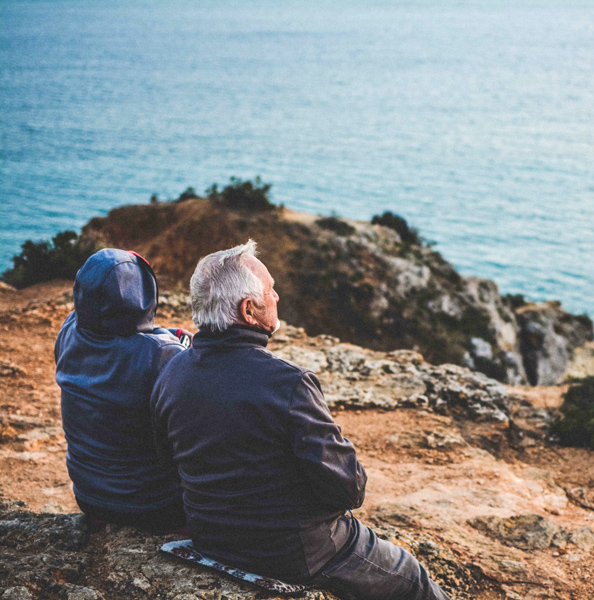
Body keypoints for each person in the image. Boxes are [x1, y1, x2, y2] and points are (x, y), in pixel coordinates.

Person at [151, 240, 450, 600]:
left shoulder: (171, 373)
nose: (277, 297)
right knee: (414, 578)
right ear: (249, 310)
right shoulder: (288, 383)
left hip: (209, 537)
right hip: (295, 552)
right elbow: (349, 489)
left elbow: (167, 462)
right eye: (271, 290)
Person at [55, 248, 190, 531]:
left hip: (89, 497)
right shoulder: (162, 355)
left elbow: (119, 334)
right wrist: (178, 342)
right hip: (153, 505)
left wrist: (166, 335)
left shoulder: (69, 330)